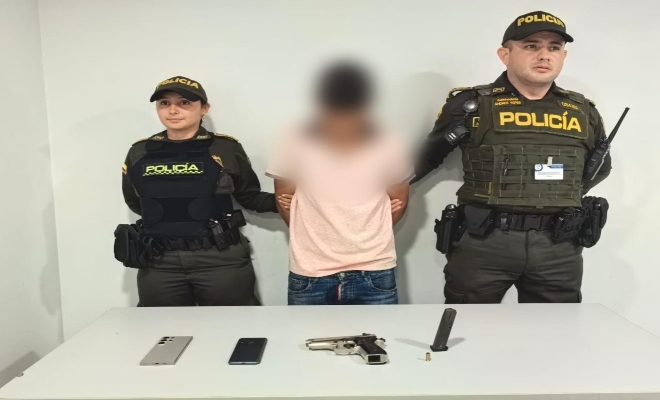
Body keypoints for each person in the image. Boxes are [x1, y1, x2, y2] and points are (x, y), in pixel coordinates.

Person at [412, 11, 612, 304]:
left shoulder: (583, 111)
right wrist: (388, 187)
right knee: (470, 325)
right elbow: (427, 158)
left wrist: (557, 192)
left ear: (563, 56)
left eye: (554, 47)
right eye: (531, 45)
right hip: (484, 242)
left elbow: (600, 167)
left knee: (556, 328)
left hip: (558, 246)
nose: (544, 55)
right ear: (505, 54)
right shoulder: (470, 105)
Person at [121, 76, 279, 307]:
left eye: (184, 102)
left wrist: (301, 201)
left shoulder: (225, 148)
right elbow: (135, 202)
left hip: (220, 259)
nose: (173, 110)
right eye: (164, 103)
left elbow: (250, 196)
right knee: (160, 327)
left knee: (235, 325)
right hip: (159, 262)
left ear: (204, 108)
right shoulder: (139, 152)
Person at [267, 62, 413, 305]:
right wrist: (313, 233)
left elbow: (399, 200)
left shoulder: (389, 140)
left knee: (379, 332)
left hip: (374, 269)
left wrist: (368, 233)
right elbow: (284, 201)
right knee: (304, 333)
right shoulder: (294, 138)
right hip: (310, 271)